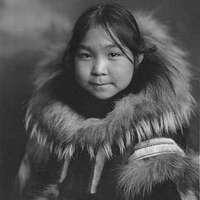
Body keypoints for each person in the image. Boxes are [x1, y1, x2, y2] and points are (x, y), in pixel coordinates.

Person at [15, 3, 199, 200]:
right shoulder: (49, 128)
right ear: (71, 59)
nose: (98, 69)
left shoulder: (163, 131)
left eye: (113, 54)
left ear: (137, 58)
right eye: (85, 55)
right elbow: (29, 187)